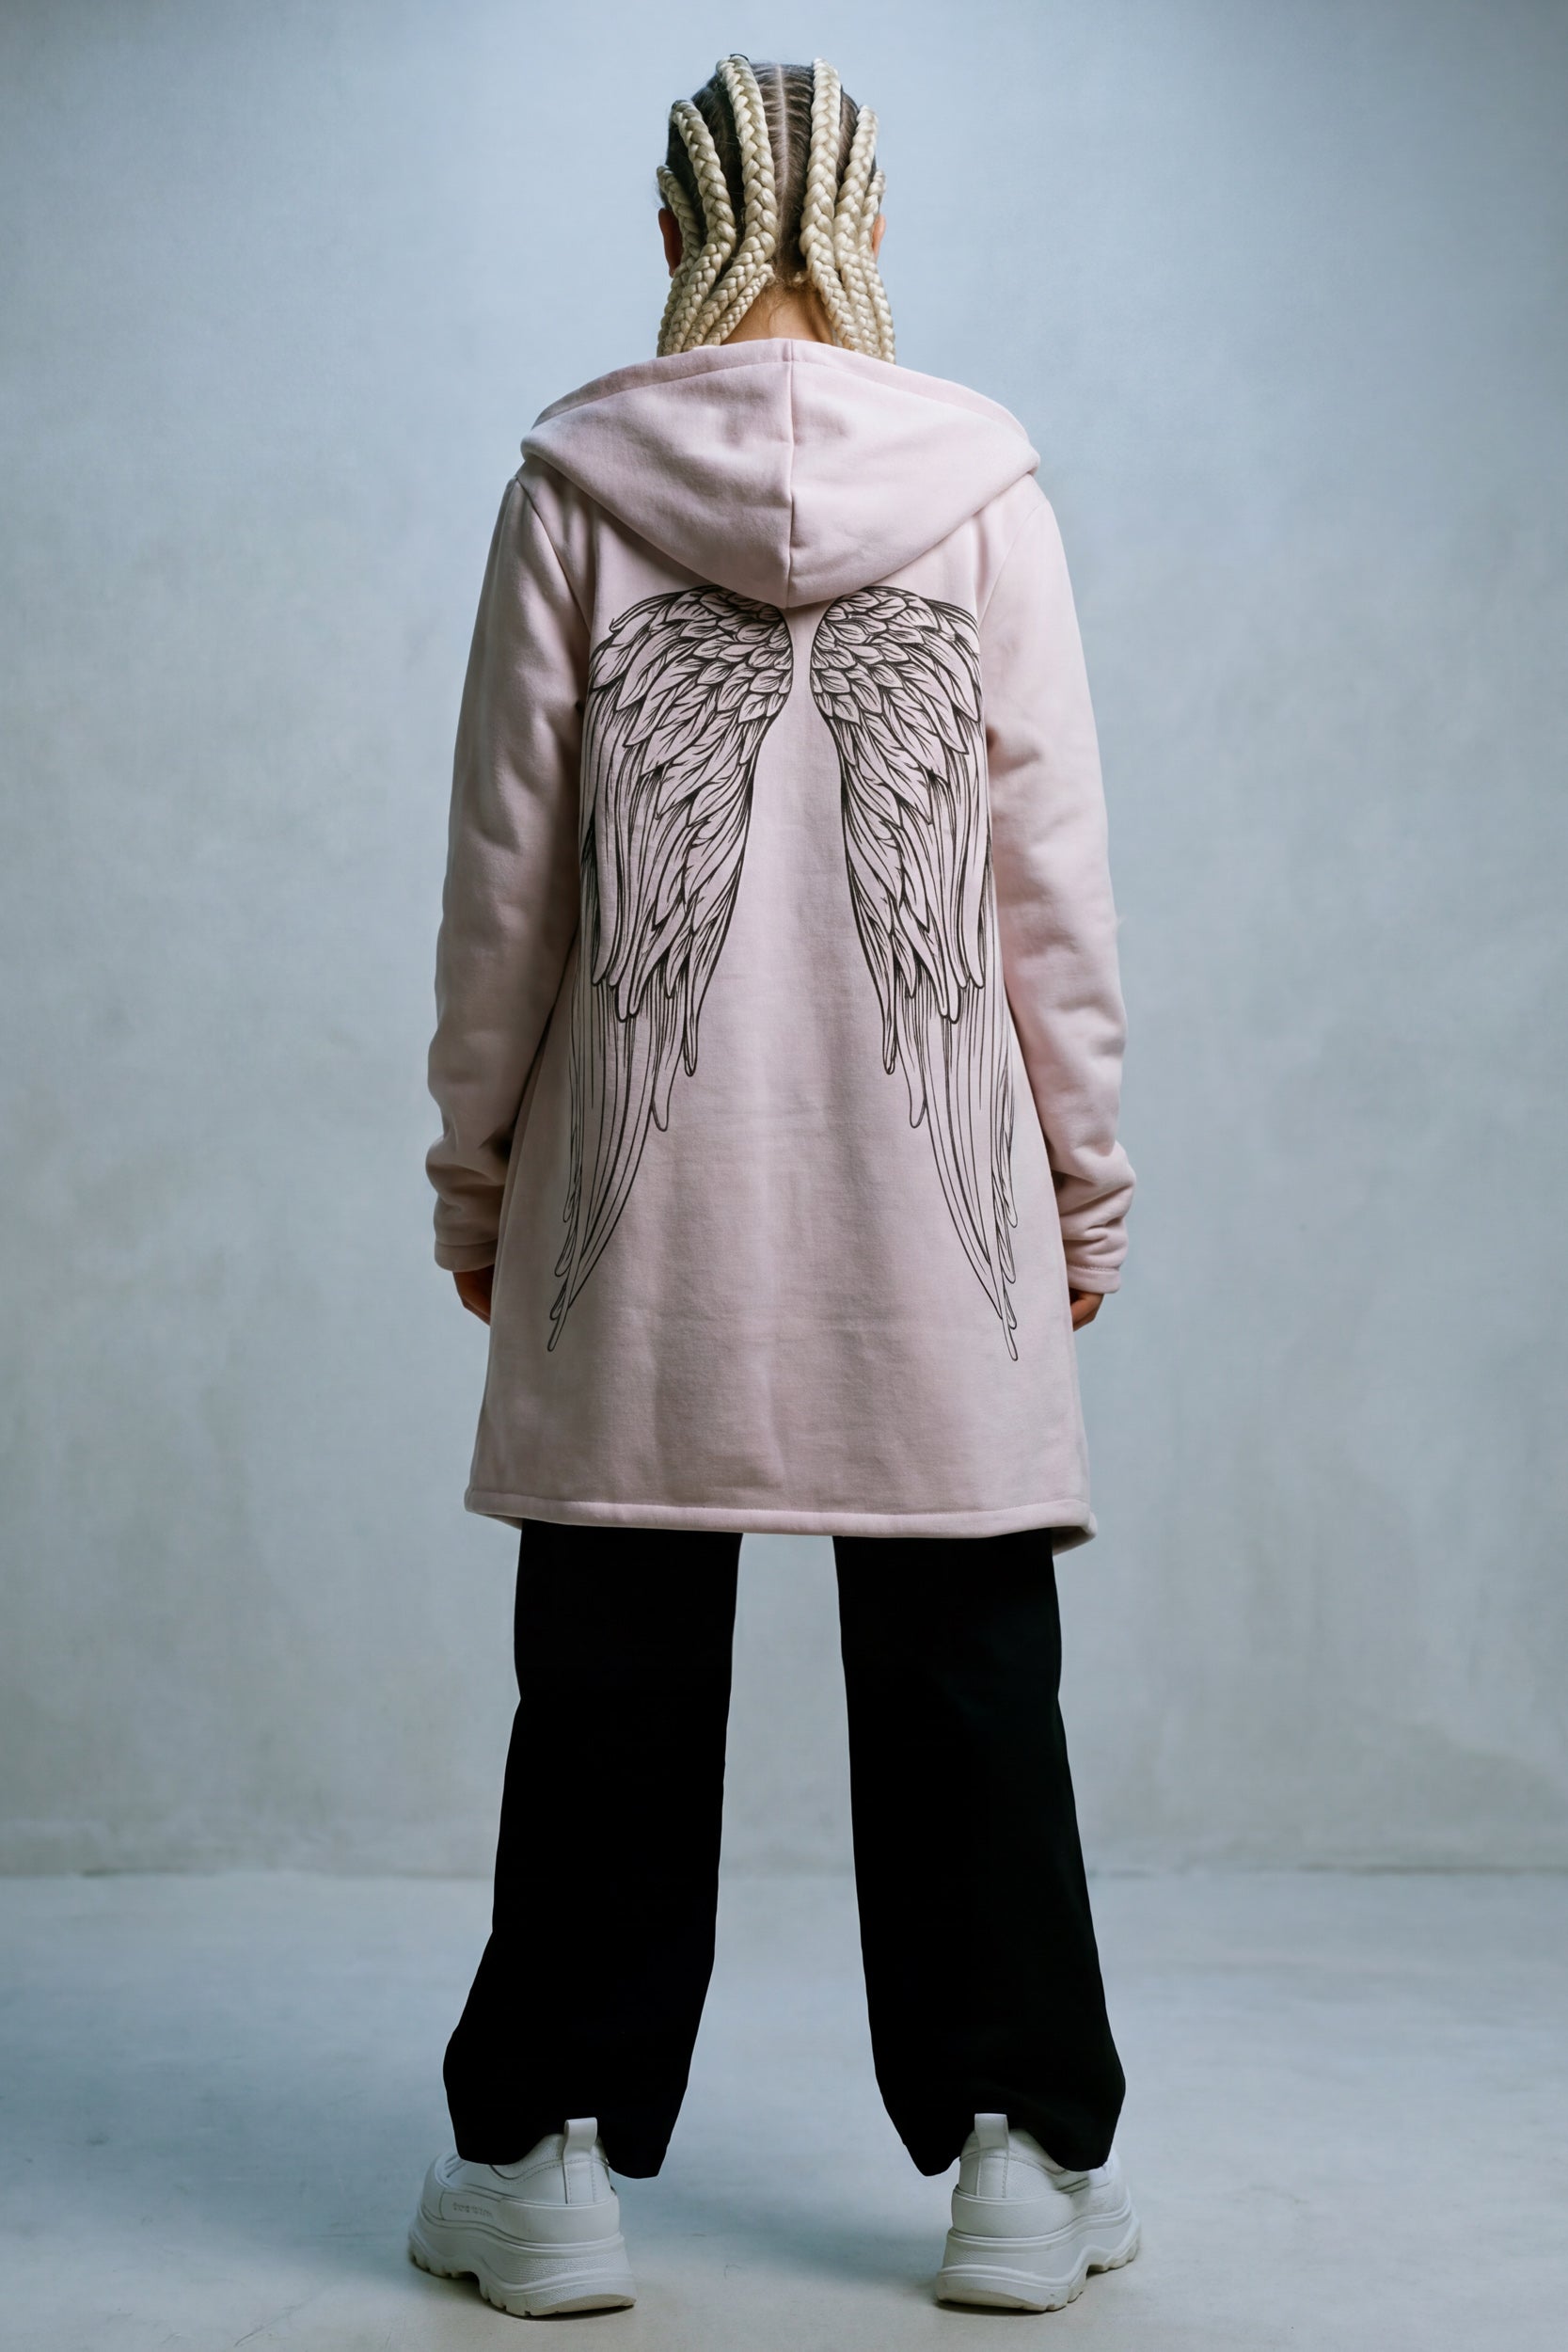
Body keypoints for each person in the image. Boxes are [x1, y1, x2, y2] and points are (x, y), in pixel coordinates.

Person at [408, 53, 1140, 2322]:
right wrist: (1085, 1186)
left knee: (608, 1674)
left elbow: (505, 887)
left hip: (643, 1202)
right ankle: (1022, 2162)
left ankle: (541, 2163)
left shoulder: (572, 485)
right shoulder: (990, 489)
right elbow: (1048, 892)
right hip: (937, 1201)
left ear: (673, 233)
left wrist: (479, 1169)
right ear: (875, 229)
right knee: (968, 1671)